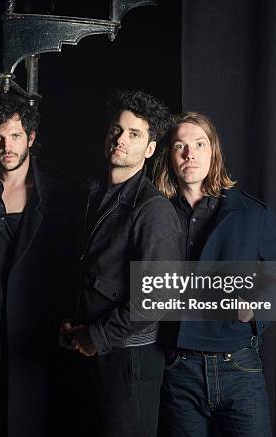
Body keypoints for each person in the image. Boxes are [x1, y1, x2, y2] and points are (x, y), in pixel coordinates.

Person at [153, 112, 276, 436]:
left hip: (239, 367)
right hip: (178, 369)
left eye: (199, 144)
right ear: (169, 154)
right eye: (180, 145)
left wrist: (257, 306)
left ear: (213, 152)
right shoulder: (154, 214)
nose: (189, 154)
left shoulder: (252, 213)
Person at [60, 90, 182, 437]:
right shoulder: (94, 195)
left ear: (150, 148)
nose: (121, 140)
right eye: (117, 130)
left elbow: (158, 296)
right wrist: (72, 322)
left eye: (134, 134)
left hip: (129, 358)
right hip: (89, 348)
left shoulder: (152, 208)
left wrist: (97, 335)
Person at [0, 96, 81, 437]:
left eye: (14, 136)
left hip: (31, 335)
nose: (5, 146)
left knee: (26, 425)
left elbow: (66, 269)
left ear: (30, 138)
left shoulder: (58, 198)